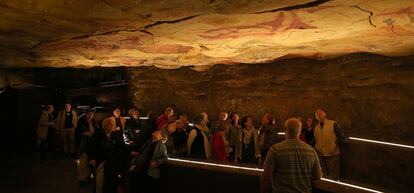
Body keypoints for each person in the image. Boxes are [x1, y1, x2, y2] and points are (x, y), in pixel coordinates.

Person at [260, 118, 322, 193]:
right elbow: (317, 176)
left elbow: (266, 177)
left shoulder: (275, 149)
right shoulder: (311, 151)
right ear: (299, 131)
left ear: (285, 131)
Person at [314, 109, 348, 180]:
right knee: (324, 176)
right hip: (321, 155)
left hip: (333, 155)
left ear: (324, 114)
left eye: (320, 114)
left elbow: (341, 137)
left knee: (334, 177)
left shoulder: (333, 124)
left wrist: (335, 145)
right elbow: (316, 140)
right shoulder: (316, 128)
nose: (319, 116)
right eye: (317, 115)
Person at [77, 109, 96, 186]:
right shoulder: (82, 122)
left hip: (90, 145)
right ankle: (81, 179)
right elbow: (83, 133)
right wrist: (91, 133)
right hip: (84, 144)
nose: (91, 116)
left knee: (88, 162)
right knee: (83, 163)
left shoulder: (92, 122)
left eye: (92, 114)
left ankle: (87, 177)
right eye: (89, 114)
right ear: (86, 114)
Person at [88, 125, 108, 193]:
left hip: (98, 161)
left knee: (97, 180)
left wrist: (91, 158)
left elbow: (90, 149)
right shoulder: (103, 138)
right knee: (99, 180)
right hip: (100, 161)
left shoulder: (94, 138)